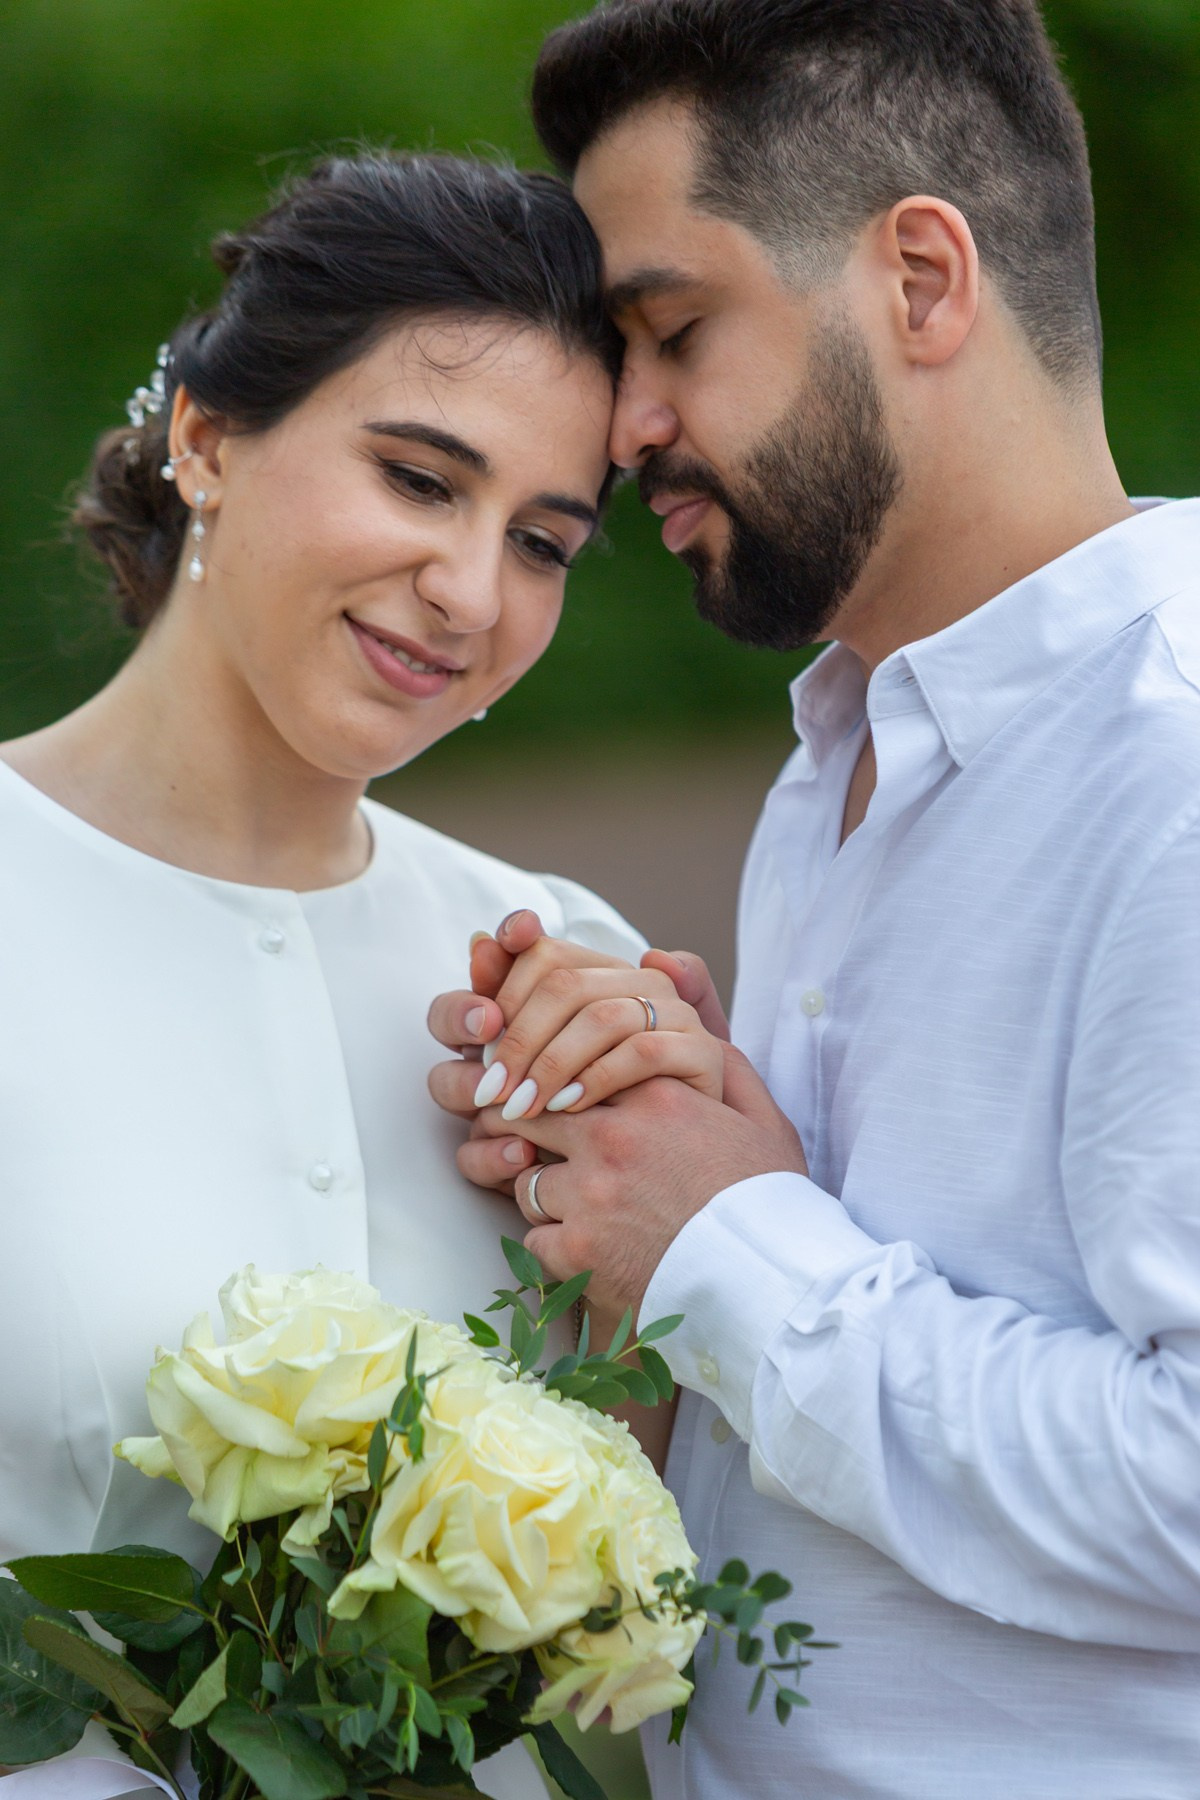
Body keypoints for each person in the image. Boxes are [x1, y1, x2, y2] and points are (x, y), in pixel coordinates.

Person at [427, 3, 1200, 1796]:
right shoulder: (837, 752)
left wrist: (729, 1243)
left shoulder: (1172, 760)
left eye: (674, 331)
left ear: (921, 281)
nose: (623, 426)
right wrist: (658, 1157)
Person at [0, 149, 721, 1799]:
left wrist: (679, 1216)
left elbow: (659, 1602)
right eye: (416, 478)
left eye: (541, 541)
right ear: (206, 440)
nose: (470, 592)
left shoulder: (567, 974)